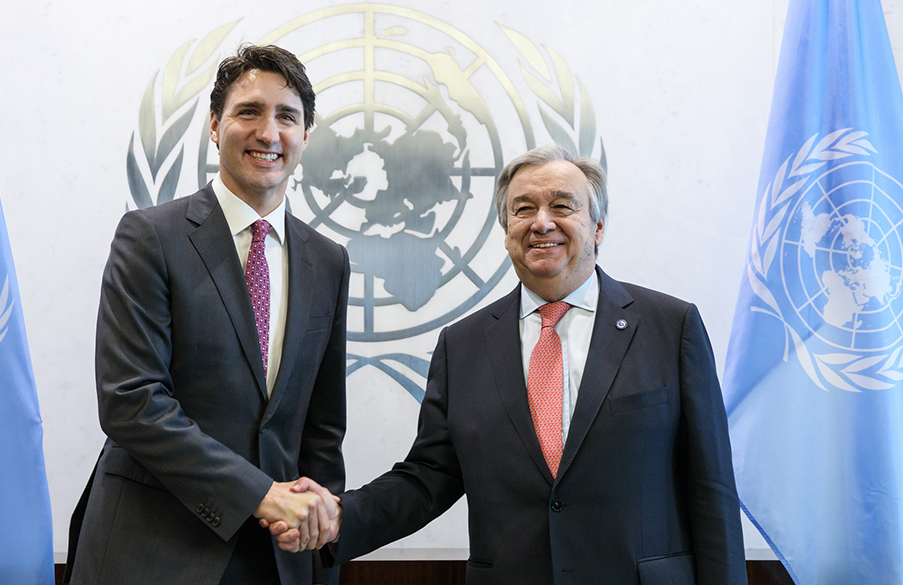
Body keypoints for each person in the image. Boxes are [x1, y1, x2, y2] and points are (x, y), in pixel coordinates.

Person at [273, 144, 747, 584]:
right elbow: (429, 478)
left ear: (598, 227)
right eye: (523, 209)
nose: (541, 223)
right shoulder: (462, 346)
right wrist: (341, 518)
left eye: (562, 206)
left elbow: (711, 490)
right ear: (506, 233)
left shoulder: (670, 327)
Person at [67, 44, 348, 585]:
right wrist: (260, 494)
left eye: (287, 117)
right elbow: (132, 401)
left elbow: (322, 426)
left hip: (277, 558)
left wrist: (317, 539)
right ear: (215, 126)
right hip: (153, 553)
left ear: (306, 136)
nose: (269, 133)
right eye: (249, 112)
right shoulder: (150, 236)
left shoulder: (328, 261)